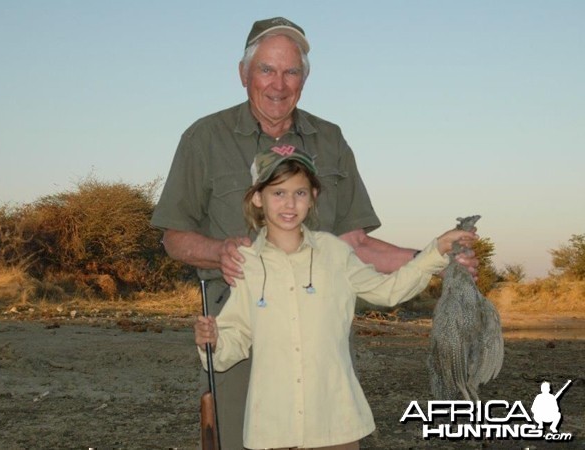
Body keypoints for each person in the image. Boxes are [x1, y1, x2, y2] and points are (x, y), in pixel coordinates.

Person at [151, 16, 478, 448]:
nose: (279, 84)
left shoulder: (331, 138)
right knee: (241, 438)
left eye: (292, 72)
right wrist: (221, 251)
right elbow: (173, 236)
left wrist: (438, 257)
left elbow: (356, 245)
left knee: (329, 428)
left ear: (305, 79)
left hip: (317, 325)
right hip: (240, 318)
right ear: (244, 73)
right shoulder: (203, 137)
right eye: (267, 69)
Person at [194, 146, 478, 449]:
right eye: (278, 193)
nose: (289, 203)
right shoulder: (246, 263)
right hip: (273, 430)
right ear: (257, 198)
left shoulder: (335, 253)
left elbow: (389, 289)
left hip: (336, 426)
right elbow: (233, 340)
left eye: (300, 193)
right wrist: (212, 340)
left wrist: (435, 250)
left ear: (313, 196)